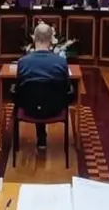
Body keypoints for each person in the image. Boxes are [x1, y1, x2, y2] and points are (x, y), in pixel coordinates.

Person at [16, 23, 71, 151]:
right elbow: (67, 87)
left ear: (34, 39)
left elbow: (18, 88)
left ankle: (40, 138)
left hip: (29, 108)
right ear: (51, 40)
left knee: (35, 95)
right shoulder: (61, 62)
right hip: (55, 108)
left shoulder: (23, 62)